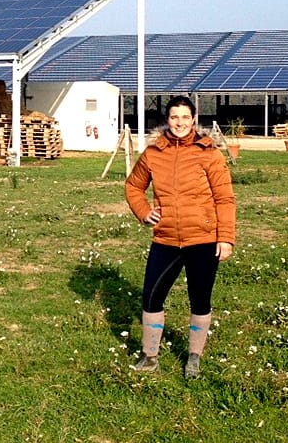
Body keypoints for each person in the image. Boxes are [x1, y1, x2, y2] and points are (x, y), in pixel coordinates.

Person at [124, 95, 236, 379]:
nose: (180, 123)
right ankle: (150, 357)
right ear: (167, 120)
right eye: (174, 117)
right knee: (151, 298)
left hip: (203, 239)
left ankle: (194, 357)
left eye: (185, 117)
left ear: (194, 120)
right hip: (166, 240)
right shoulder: (153, 153)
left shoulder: (209, 153)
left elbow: (225, 199)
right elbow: (133, 187)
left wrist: (226, 238)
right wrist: (143, 211)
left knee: (200, 300)